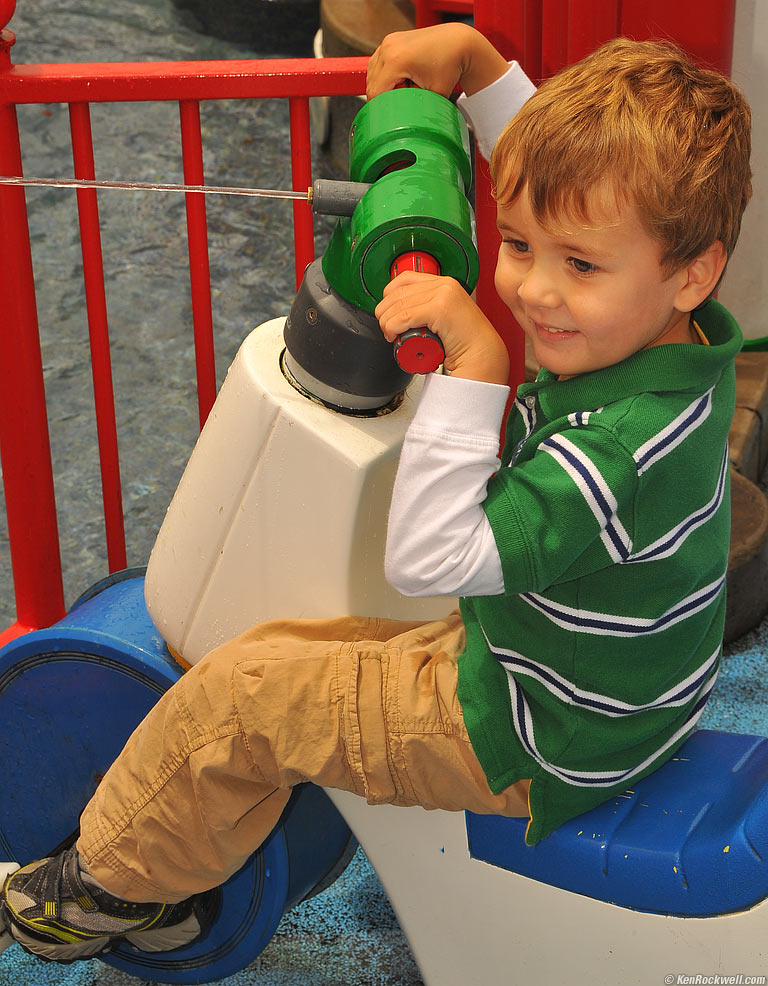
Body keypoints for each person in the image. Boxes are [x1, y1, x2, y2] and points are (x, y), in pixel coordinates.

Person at [0, 21, 752, 963]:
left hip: (531, 733)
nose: (535, 292)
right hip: (609, 692)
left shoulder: (616, 452)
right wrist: (477, 69)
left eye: (578, 267)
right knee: (294, 652)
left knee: (244, 692)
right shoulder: (673, 339)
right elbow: (589, 207)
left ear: (694, 272)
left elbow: (430, 558)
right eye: (517, 244)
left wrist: (475, 367)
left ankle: (106, 891)